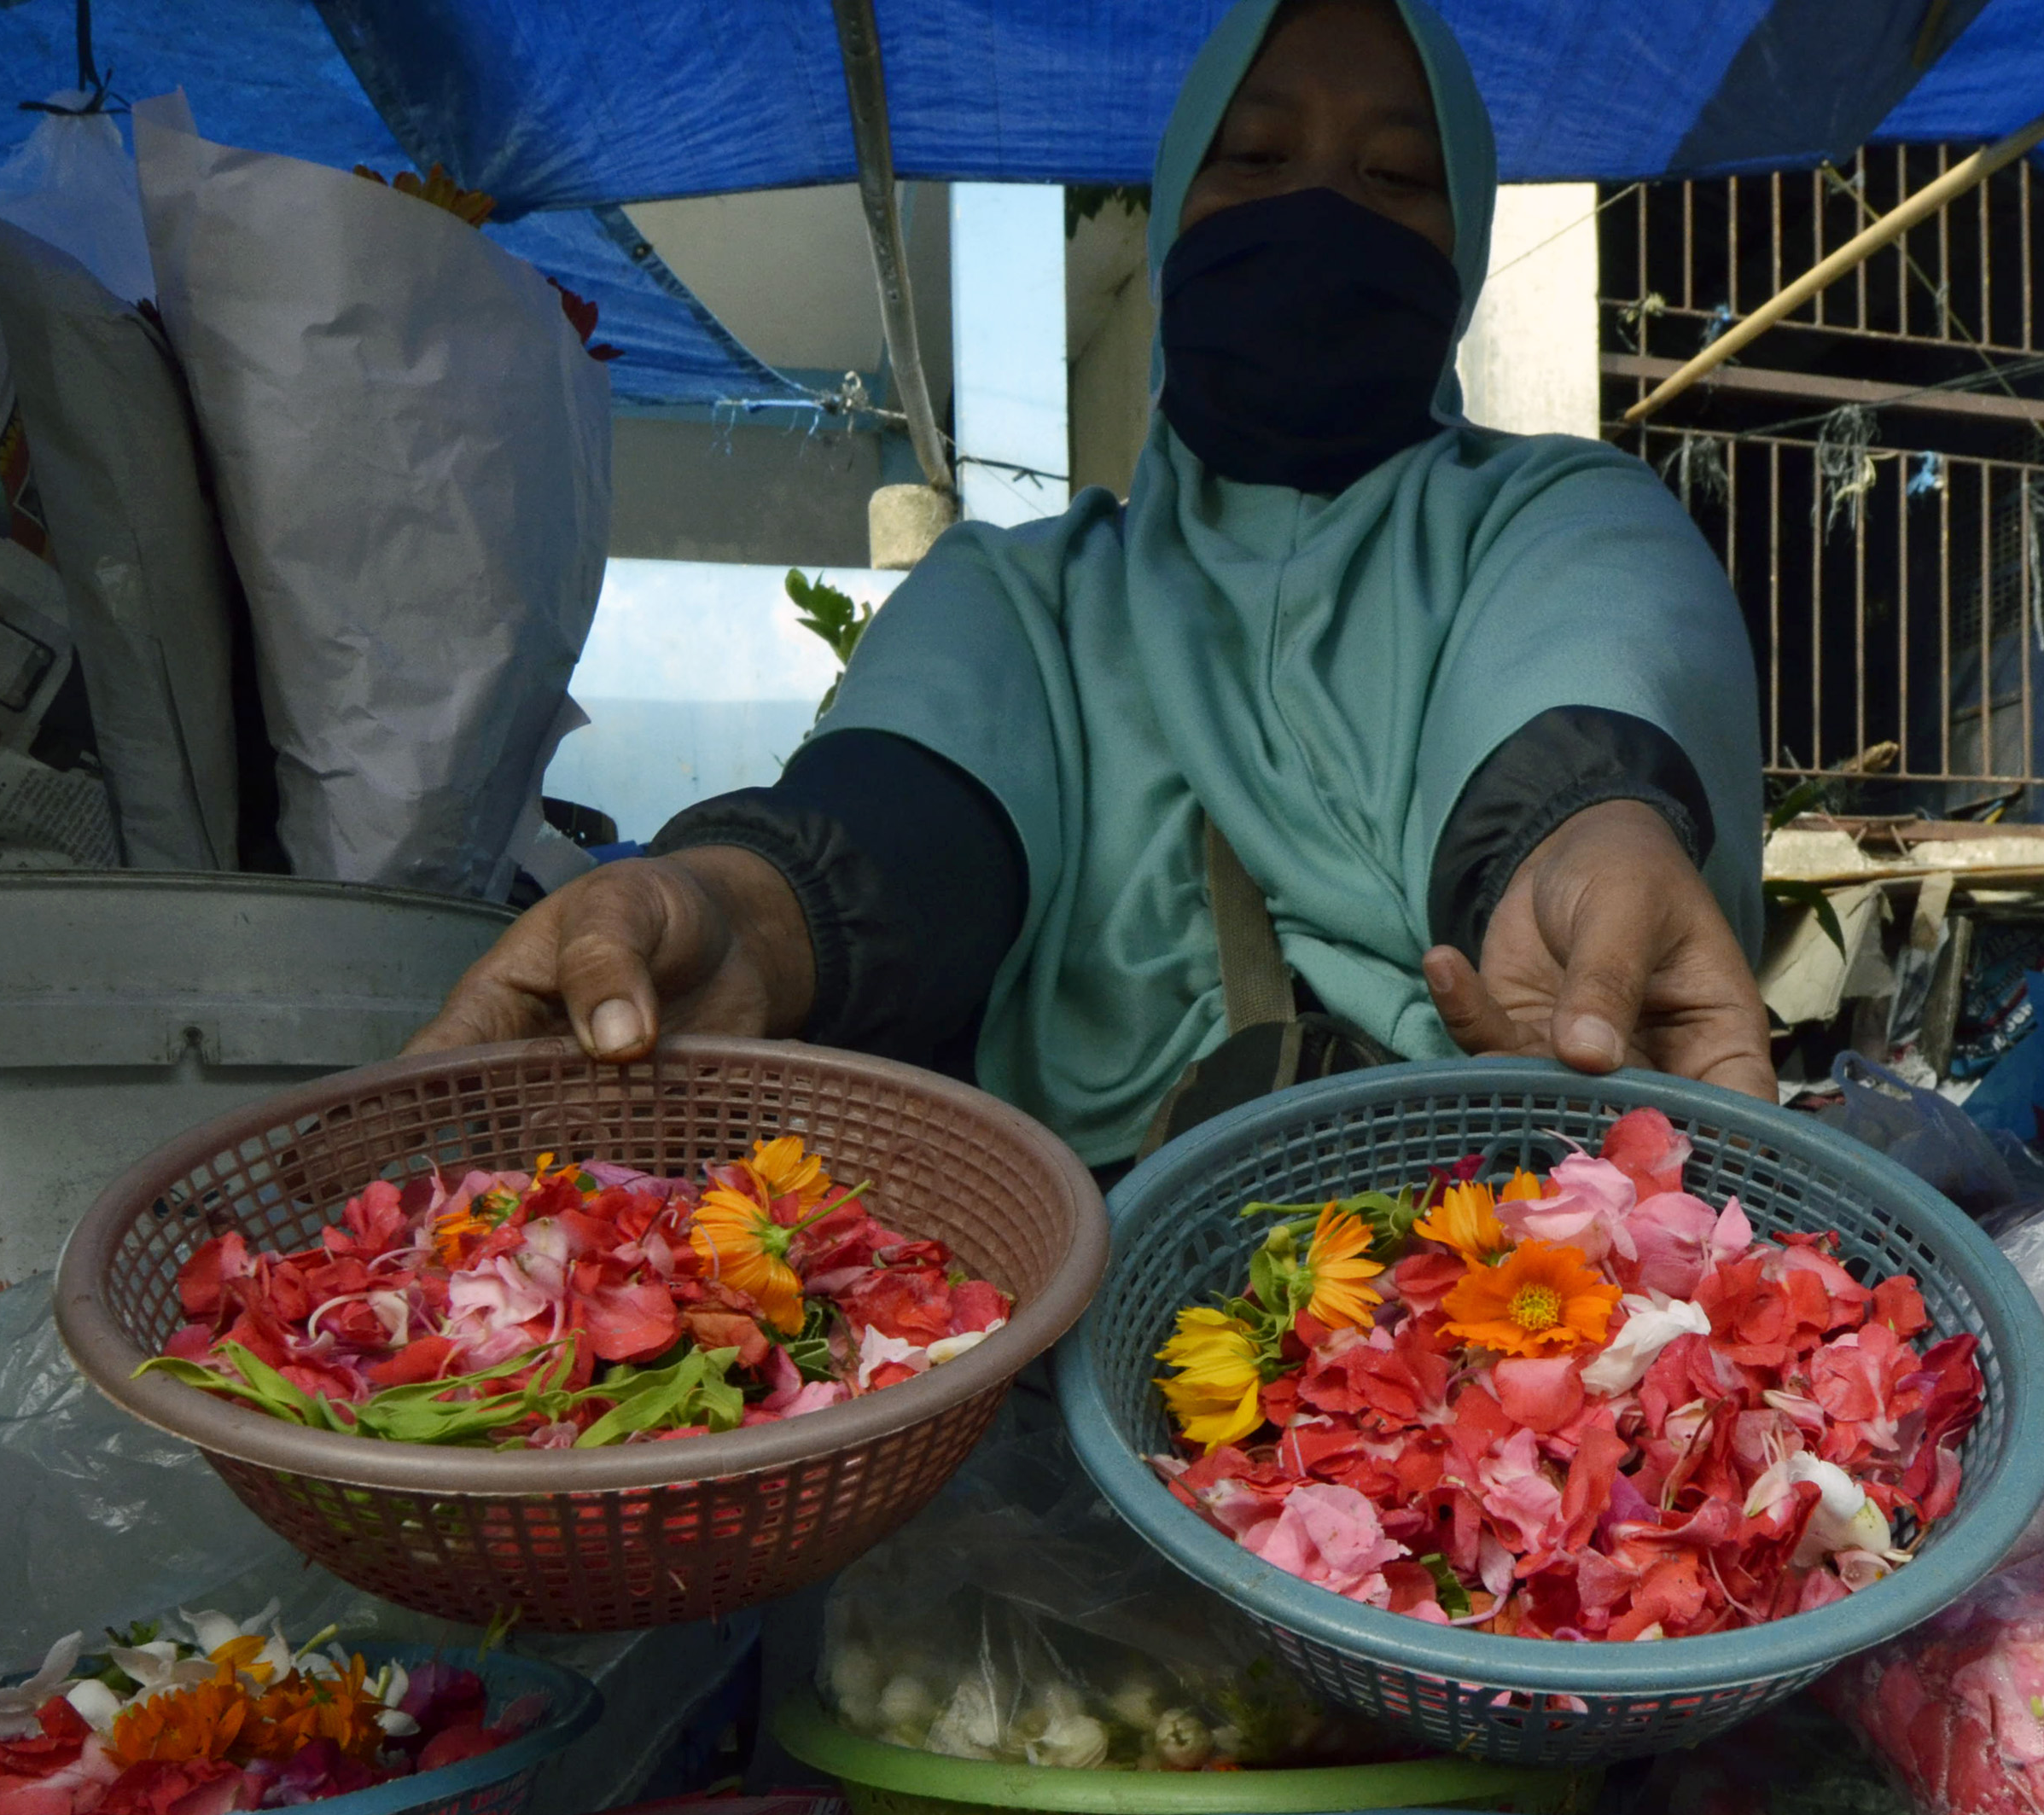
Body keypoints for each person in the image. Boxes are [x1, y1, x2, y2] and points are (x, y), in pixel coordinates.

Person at [414, 0, 1773, 1168]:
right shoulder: (1025, 598)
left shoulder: (1552, 515)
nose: (1318, 210)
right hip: (1073, 1295)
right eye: (1256, 158)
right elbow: (897, 828)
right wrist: (736, 917)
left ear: (1465, 238)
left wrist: (1591, 852)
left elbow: (1581, 701)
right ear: (1181, 203)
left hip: (1505, 1265)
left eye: (1396, 178)